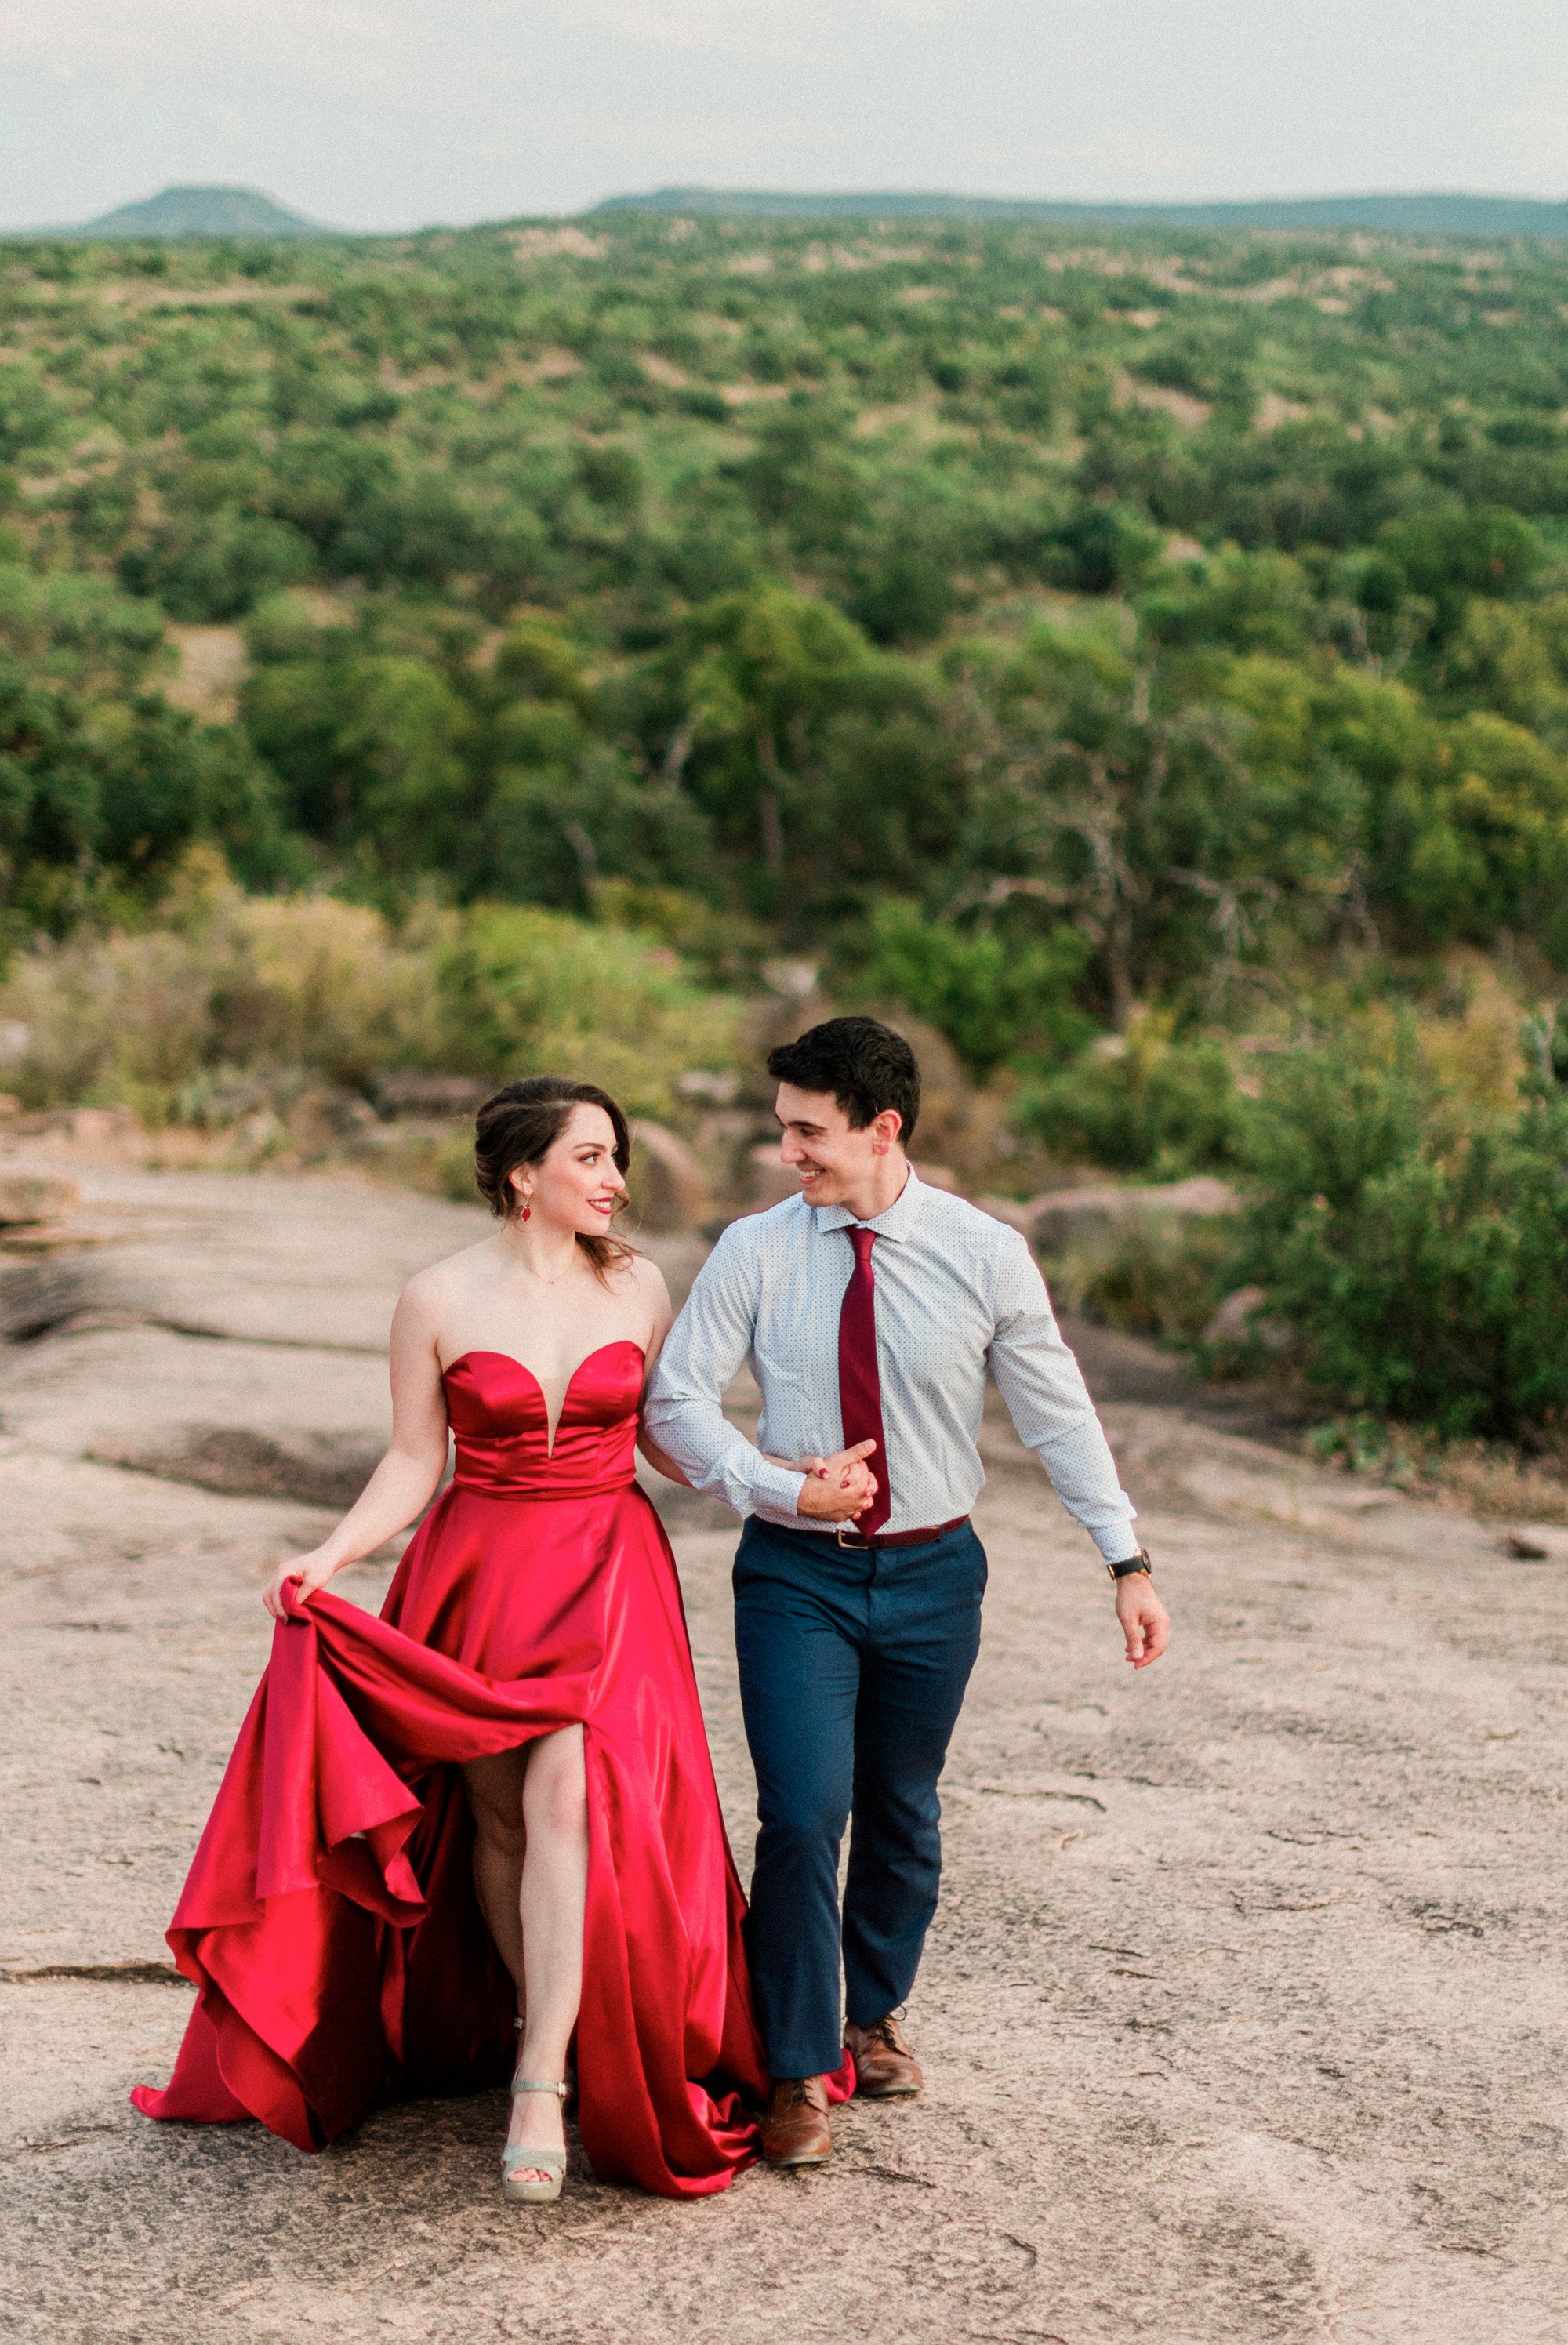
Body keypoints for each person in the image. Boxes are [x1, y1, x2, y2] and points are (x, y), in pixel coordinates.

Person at [133, 1076, 809, 2202]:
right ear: (521, 1174)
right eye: (590, 1157)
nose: (614, 1179)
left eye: (615, 1157)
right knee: (498, 1821)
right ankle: (536, 2022)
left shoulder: (640, 1284)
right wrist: (332, 1556)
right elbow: (414, 1459)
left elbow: (671, 1439)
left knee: (567, 1798)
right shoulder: (436, 1295)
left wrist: (784, 1488)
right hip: (481, 1575)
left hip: (608, 1572)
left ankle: (543, 2078)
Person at [645, 1016, 1170, 2169]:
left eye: (808, 1131)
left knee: (901, 1812)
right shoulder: (754, 1250)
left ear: (883, 1129)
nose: (788, 1152)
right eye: (783, 1128)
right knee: (801, 1815)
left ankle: (868, 2014)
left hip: (936, 1576)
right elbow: (675, 1405)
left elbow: (1054, 1412)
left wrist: (1124, 1560)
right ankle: (795, 2069)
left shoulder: (985, 1252)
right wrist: (772, 1485)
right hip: (796, 1578)